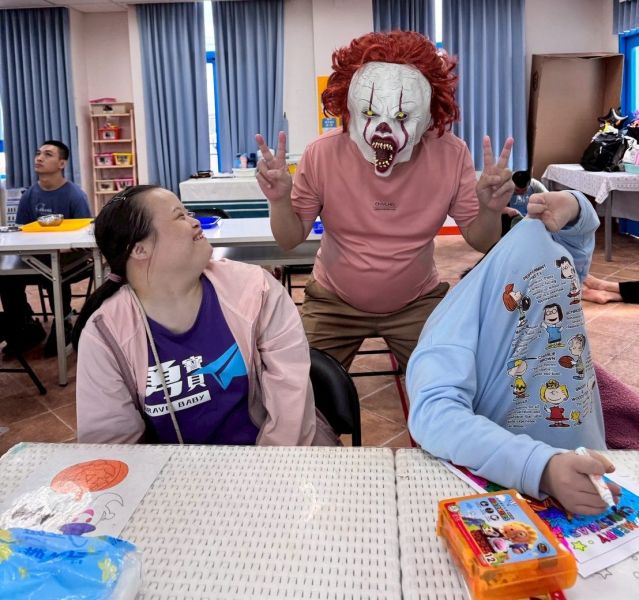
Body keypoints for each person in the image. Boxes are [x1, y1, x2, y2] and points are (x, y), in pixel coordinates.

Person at [255, 31, 514, 372]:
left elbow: (481, 240)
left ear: (429, 115)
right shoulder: (321, 153)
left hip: (416, 303)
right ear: (348, 109)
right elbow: (289, 239)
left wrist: (490, 210)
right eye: (369, 112)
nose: (382, 129)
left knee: (448, 383)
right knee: (304, 387)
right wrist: (278, 201)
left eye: (403, 117)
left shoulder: (451, 153)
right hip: (333, 301)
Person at [407, 190, 621, 515]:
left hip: (591, 466)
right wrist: (541, 467)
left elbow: (572, 257)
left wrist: (576, 207)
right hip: (514, 483)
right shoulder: (453, 324)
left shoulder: (551, 282)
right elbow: (433, 415)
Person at [72, 185, 338, 447]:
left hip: (272, 461)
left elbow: (290, 405)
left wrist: (263, 472)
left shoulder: (255, 290)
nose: (195, 222)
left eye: (188, 213)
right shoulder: (105, 334)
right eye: (180, 216)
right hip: (171, 473)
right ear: (139, 249)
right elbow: (111, 444)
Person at [0, 140, 92, 357]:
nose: (39, 158)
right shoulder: (29, 195)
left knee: (53, 274)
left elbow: (85, 237)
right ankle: (25, 325)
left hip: (68, 261)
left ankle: (63, 323)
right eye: (38, 153)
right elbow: (20, 231)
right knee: (5, 277)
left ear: (62, 163)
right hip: (35, 258)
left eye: (48, 154)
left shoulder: (75, 195)